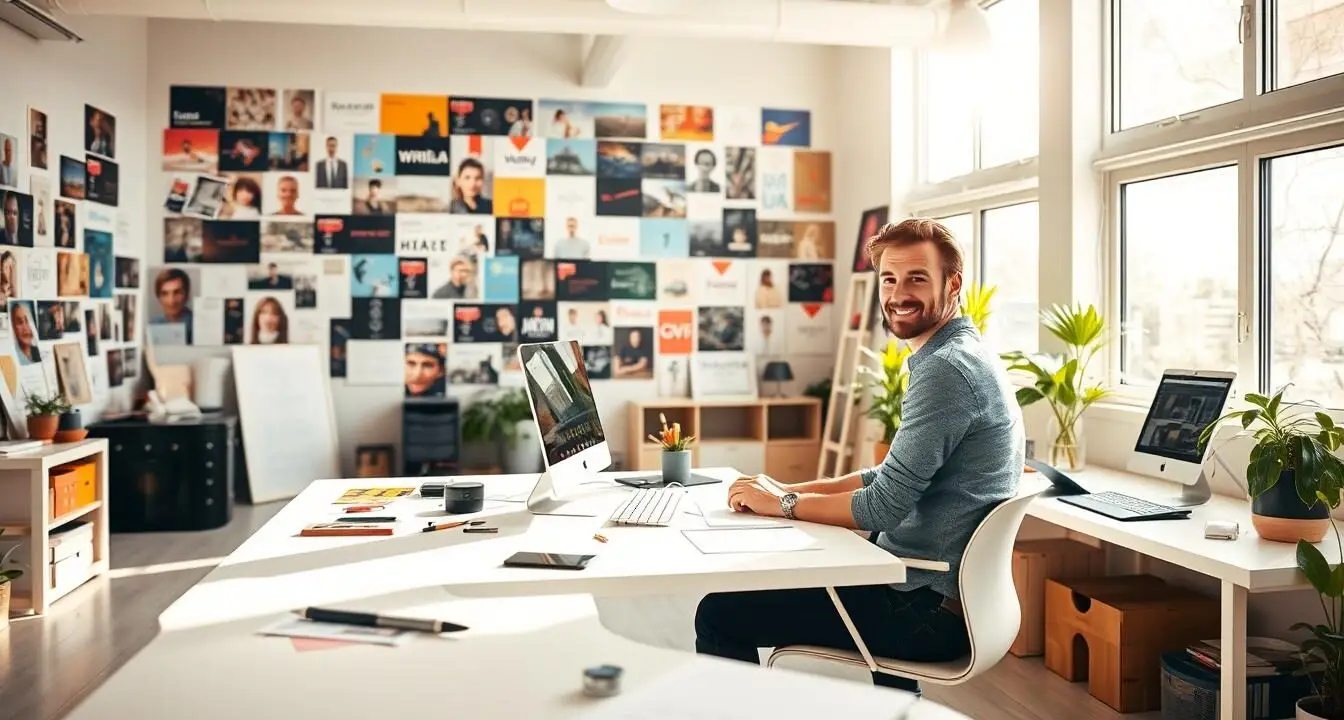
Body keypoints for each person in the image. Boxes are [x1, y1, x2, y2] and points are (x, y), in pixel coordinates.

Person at [694, 218, 1024, 695]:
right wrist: (789, 490)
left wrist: (781, 506)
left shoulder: (945, 371)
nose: (898, 294)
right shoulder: (963, 354)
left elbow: (882, 508)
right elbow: (886, 477)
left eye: (917, 278)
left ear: (953, 283)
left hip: (922, 611)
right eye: (889, 279)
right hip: (945, 598)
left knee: (721, 612)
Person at [152, 267, 194, 344]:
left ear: (186, 295)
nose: (171, 301)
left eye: (177, 293)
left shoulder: (197, 325)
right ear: (159, 297)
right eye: (164, 294)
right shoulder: (154, 324)